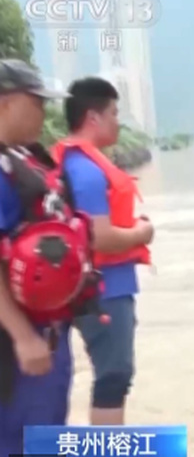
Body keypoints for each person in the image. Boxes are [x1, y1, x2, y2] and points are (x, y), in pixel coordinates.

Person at [48, 77, 153, 426]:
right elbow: (100, 237)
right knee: (113, 377)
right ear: (93, 117)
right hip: (104, 288)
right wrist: (143, 232)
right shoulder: (88, 171)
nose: (117, 121)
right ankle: (107, 447)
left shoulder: (62, 161)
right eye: (114, 113)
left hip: (72, 286)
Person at [0, 59, 82, 455]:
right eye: (36, 102)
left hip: (47, 333)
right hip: (16, 347)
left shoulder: (24, 160)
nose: (44, 112)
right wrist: (22, 336)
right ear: (5, 103)